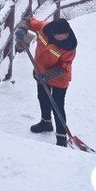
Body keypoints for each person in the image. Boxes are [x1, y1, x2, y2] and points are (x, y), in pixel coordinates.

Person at [15, 15, 77, 147]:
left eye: (64, 35)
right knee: (42, 98)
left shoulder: (69, 47)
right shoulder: (44, 28)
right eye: (59, 35)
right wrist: (22, 29)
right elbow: (28, 19)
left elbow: (64, 67)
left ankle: (61, 138)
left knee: (57, 106)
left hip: (60, 79)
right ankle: (46, 123)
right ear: (53, 32)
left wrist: (47, 76)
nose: (62, 38)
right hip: (40, 72)